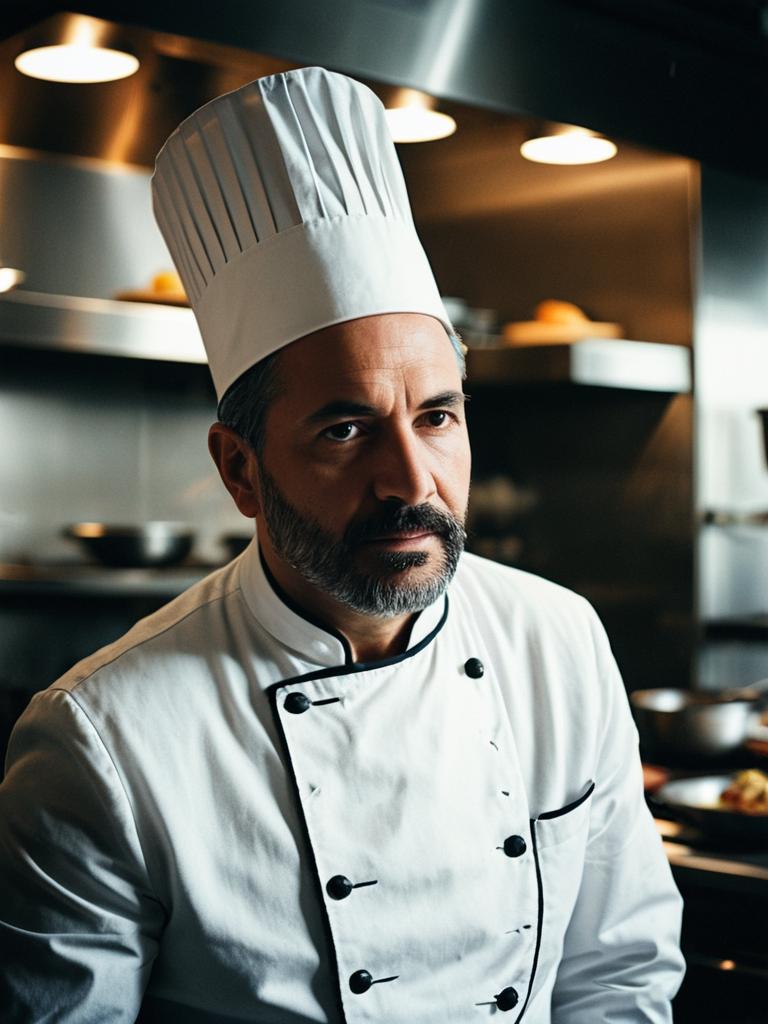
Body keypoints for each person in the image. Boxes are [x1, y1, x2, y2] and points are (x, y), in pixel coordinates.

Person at [0, 67, 684, 1023]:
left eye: (437, 417)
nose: (411, 482)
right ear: (240, 470)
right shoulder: (102, 743)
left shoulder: (557, 641)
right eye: (344, 429)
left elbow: (618, 971)